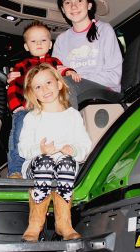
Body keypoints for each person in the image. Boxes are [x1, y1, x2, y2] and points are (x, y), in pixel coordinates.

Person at [18, 63, 92, 242]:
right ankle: (35, 224)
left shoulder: (73, 115)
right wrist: (40, 150)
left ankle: (64, 223)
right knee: (45, 161)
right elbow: (23, 149)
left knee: (66, 162)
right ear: (33, 93)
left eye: (48, 83)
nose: (44, 89)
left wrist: (73, 150)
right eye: (38, 87)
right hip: (36, 166)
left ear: (59, 84)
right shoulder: (32, 118)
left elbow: (85, 144)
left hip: (64, 167)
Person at [7, 20, 80, 178]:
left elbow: (62, 72)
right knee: (18, 134)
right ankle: (15, 170)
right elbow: (13, 87)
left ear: (50, 44)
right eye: (33, 41)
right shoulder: (21, 66)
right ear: (26, 46)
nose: (39, 43)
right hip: (26, 106)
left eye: (43, 40)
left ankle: (56, 164)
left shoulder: (54, 63)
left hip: (50, 109)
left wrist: (70, 71)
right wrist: (15, 107)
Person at [52, 0, 123, 100]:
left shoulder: (104, 30)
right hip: (73, 92)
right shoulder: (61, 40)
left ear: (89, 5)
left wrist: (78, 78)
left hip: (104, 92)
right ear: (63, 10)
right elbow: (55, 74)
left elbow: (113, 77)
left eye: (79, 0)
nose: (73, 6)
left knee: (66, 85)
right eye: (67, 3)